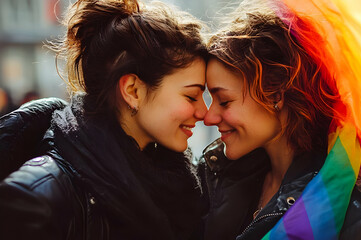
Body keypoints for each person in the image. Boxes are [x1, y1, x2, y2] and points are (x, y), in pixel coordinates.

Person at [0, 0, 207, 239]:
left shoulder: (176, 181)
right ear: (133, 91)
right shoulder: (38, 198)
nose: (204, 112)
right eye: (191, 96)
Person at [200, 0, 361, 239]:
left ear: (275, 94)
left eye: (224, 101)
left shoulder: (359, 214)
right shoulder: (217, 175)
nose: (208, 117)